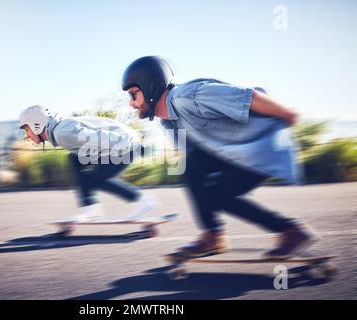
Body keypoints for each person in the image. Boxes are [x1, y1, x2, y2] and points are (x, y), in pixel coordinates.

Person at [122, 56, 317, 259]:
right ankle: (212, 236)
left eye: (133, 95)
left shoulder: (190, 96)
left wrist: (289, 115)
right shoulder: (168, 123)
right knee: (190, 167)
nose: (131, 103)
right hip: (235, 153)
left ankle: (292, 231)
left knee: (221, 196)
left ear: (150, 86)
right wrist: (206, 195)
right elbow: (194, 160)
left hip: (261, 147)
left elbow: (250, 98)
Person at [19, 105, 156, 221]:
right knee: (74, 160)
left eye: (26, 129)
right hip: (115, 146)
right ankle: (91, 208)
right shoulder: (60, 131)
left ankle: (143, 200)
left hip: (124, 147)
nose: (27, 135)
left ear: (36, 124)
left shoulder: (62, 133)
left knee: (95, 179)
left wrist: (137, 148)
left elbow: (98, 138)